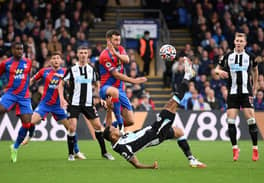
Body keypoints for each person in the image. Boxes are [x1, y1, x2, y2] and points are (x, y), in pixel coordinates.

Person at [103, 57, 206, 169]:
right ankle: (187, 76)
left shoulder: (116, 137)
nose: (116, 128)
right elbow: (136, 163)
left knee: (179, 132)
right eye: (114, 129)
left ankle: (192, 160)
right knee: (172, 103)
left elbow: (107, 128)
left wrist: (109, 109)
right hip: (155, 133)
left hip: (154, 130)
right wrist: (150, 166)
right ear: (113, 136)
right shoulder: (121, 147)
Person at [20, 51, 82, 161]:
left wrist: (65, 80)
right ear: (50, 61)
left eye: (58, 58)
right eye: (54, 58)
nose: (56, 60)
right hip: (45, 104)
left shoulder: (66, 72)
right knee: (29, 122)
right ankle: (30, 136)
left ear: (61, 60)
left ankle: (76, 151)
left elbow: (74, 85)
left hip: (59, 105)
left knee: (71, 128)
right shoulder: (44, 71)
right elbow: (32, 80)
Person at [59, 46, 114, 160]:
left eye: (85, 53)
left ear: (88, 55)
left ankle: (104, 152)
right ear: (77, 55)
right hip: (74, 103)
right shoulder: (72, 69)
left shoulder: (92, 69)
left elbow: (98, 83)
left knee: (98, 126)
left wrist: (101, 97)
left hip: (88, 103)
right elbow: (61, 84)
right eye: (81, 53)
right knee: (72, 128)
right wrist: (62, 98)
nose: (83, 55)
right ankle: (71, 154)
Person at [0, 42, 33, 163]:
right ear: (12, 50)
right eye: (17, 49)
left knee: (27, 124)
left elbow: (28, 77)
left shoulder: (28, 62)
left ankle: (15, 147)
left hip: (24, 96)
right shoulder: (6, 63)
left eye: (21, 48)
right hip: (11, 93)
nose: (20, 51)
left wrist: (27, 88)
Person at [215, 32, 259, 161]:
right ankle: (235, 148)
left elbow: (255, 71)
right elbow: (216, 70)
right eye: (237, 40)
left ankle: (255, 149)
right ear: (234, 42)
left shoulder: (250, 56)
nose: (239, 43)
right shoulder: (227, 56)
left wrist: (255, 87)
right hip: (232, 92)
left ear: (245, 43)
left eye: (241, 41)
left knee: (251, 120)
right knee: (230, 120)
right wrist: (220, 71)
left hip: (246, 92)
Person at [99, 29, 147, 131]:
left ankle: (110, 126)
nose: (118, 42)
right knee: (114, 91)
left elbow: (127, 60)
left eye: (119, 40)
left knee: (130, 121)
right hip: (106, 88)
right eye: (115, 40)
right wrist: (134, 81)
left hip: (120, 89)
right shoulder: (104, 56)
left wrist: (116, 54)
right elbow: (116, 75)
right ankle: (120, 124)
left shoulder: (120, 49)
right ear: (108, 40)